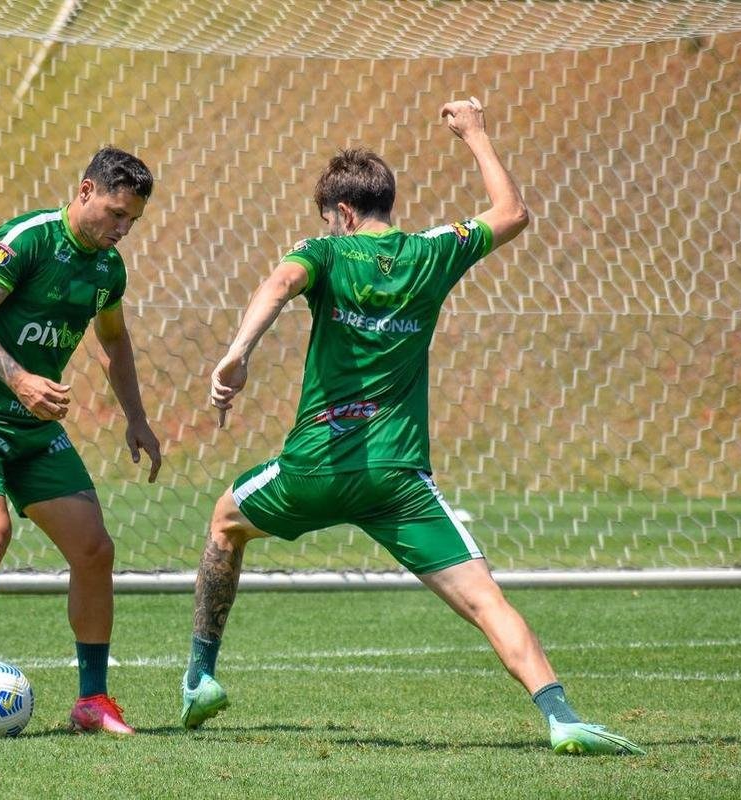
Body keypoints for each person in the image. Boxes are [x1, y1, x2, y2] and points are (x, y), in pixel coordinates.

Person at [179, 99, 643, 756]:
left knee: (227, 519)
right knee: (486, 599)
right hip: (397, 480)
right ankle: (562, 716)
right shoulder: (429, 253)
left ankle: (200, 677)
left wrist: (239, 351)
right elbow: (512, 214)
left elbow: (282, 279)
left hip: (316, 468)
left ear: (340, 215)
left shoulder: (325, 251)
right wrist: (476, 134)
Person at [0, 146, 161, 736]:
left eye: (131, 219)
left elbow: (113, 342)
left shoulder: (108, 270)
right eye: (114, 212)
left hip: (34, 432)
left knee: (95, 550)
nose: (122, 229)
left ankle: (92, 700)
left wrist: (136, 416)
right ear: (85, 191)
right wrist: (20, 378)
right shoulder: (27, 239)